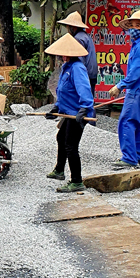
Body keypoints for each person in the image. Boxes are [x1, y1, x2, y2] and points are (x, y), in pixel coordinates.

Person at [108, 10, 140, 170]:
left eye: (138, 25)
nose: (134, 28)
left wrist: (119, 85)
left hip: (137, 92)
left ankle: (129, 158)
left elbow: (136, 73)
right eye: (132, 25)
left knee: (126, 123)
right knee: (135, 125)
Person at [43, 33, 95, 193]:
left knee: (71, 146)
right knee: (61, 138)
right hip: (68, 111)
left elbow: (84, 90)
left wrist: (85, 108)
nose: (59, 55)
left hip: (77, 112)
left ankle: (77, 181)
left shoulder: (77, 68)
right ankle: (59, 170)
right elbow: (63, 91)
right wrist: (56, 108)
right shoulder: (67, 67)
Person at [57, 12, 97, 95]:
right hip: (91, 75)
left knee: (81, 100)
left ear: (73, 27)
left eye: (68, 26)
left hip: (85, 75)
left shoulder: (78, 39)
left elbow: (79, 62)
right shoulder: (85, 36)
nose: (67, 29)